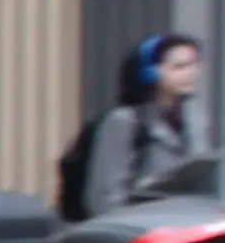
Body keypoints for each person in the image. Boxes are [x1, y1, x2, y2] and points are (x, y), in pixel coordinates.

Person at [82, 33, 206, 214]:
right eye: (179, 67)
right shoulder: (125, 121)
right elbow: (105, 196)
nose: (191, 73)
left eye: (193, 64)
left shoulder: (195, 119)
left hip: (184, 226)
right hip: (140, 228)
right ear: (150, 72)